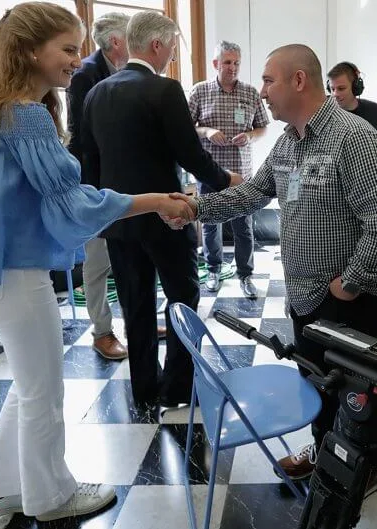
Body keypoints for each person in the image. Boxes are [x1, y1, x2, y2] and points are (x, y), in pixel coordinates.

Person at [0, 2, 193, 523]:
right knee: (44, 394)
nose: (78, 60)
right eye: (67, 48)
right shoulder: (26, 116)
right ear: (31, 51)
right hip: (16, 279)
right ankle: (50, 497)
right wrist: (155, 199)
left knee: (27, 385)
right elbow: (74, 203)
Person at [163, 44, 377, 488]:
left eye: (269, 80)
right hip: (305, 296)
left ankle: (365, 467)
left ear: (299, 81)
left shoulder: (353, 138)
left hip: (346, 300)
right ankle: (326, 450)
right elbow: (251, 195)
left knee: (356, 395)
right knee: (318, 385)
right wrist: (195, 209)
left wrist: (349, 285)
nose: (262, 91)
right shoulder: (287, 142)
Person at [81, 10, 242, 406]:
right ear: (156, 45)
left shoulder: (95, 93)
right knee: (182, 298)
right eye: (171, 46)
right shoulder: (165, 90)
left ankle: (144, 389)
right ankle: (177, 389)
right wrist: (229, 182)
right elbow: (191, 156)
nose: (172, 54)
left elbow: (90, 165)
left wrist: (103, 216)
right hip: (166, 219)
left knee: (135, 306)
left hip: (119, 220)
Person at [67, 12, 134, 360]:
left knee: (129, 258)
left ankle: (136, 321)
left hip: (122, 185)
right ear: (116, 42)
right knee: (96, 266)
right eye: (131, 35)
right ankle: (102, 332)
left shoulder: (125, 70)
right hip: (93, 187)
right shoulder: (84, 76)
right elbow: (81, 138)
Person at [189, 41, 269, 298]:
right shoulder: (200, 91)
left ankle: (245, 275)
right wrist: (207, 131)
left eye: (236, 63)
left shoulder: (250, 93)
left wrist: (251, 137)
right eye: (227, 62)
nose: (232, 67)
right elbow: (188, 128)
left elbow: (262, 127)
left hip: (240, 172)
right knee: (210, 224)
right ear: (216, 64)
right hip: (210, 171)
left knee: (243, 226)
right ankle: (213, 270)